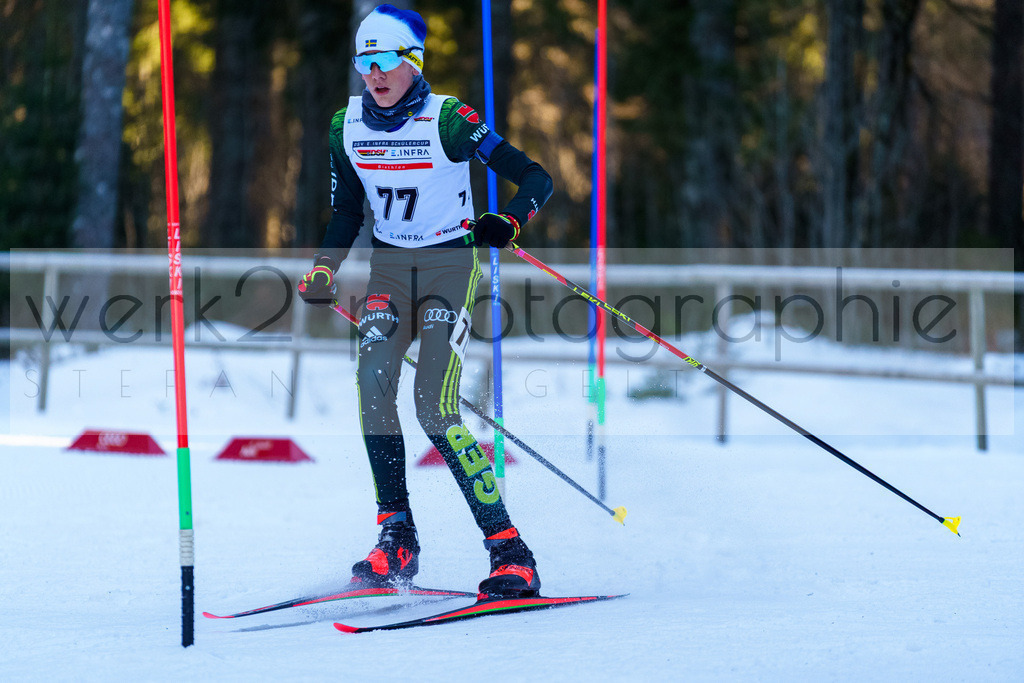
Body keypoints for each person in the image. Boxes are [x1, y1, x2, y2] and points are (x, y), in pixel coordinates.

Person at [297, 4, 553, 598]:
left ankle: (510, 553)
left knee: (434, 408)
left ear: (413, 62)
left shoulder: (450, 121)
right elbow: (346, 212)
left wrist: (510, 219)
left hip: (447, 269)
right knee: (373, 385)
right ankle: (397, 540)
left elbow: (535, 177)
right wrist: (323, 268)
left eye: (385, 60)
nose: (374, 74)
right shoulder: (346, 126)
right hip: (389, 270)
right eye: (364, 61)